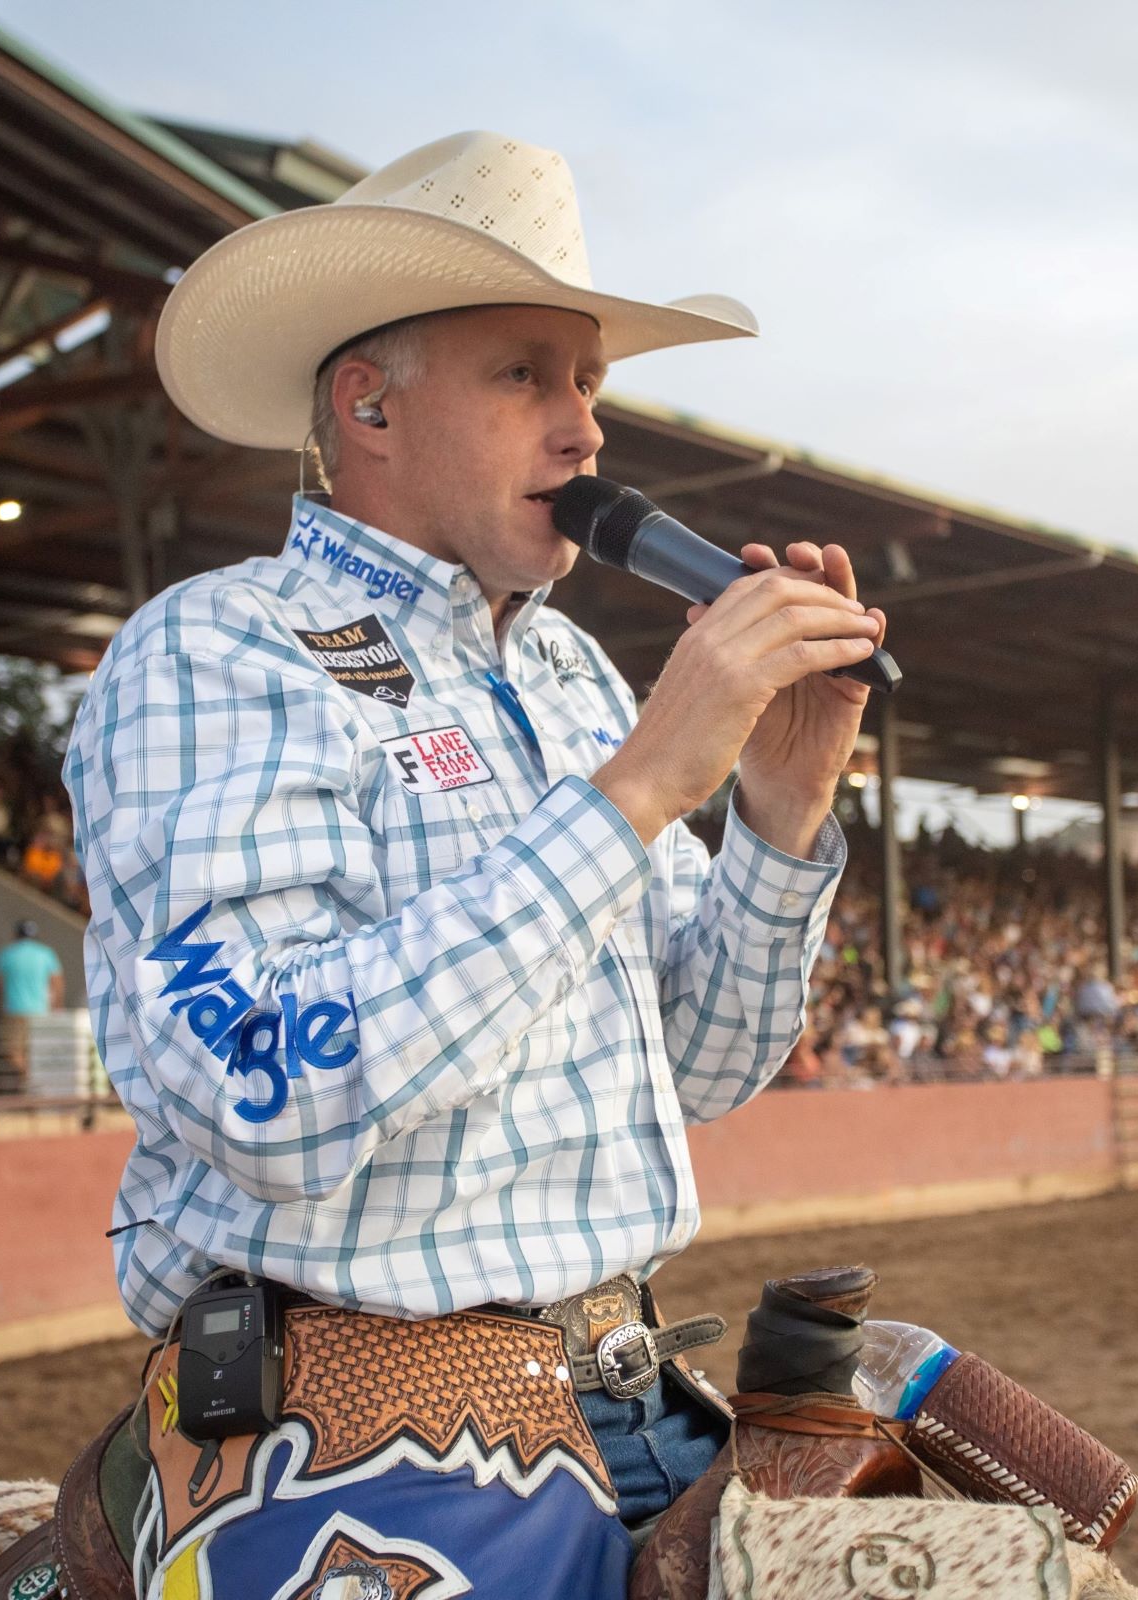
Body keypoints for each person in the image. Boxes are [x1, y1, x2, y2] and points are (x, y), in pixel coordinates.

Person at [66, 131, 878, 1595]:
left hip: (627, 1391)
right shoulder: (213, 648)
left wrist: (776, 812)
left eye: (591, 384)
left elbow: (700, 1063)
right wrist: (635, 793)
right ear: (366, 401)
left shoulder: (569, 672)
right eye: (527, 376)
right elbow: (272, 1091)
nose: (585, 434)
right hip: (347, 1424)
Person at [0, 919, 62, 1093]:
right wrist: (55, 1006)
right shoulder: (45, 953)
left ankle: (30, 1080)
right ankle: (32, 1084)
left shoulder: (6, 954)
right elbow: (57, 983)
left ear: (16, 934)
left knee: (12, 1050)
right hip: (41, 1010)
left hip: (14, 1010)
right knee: (34, 1052)